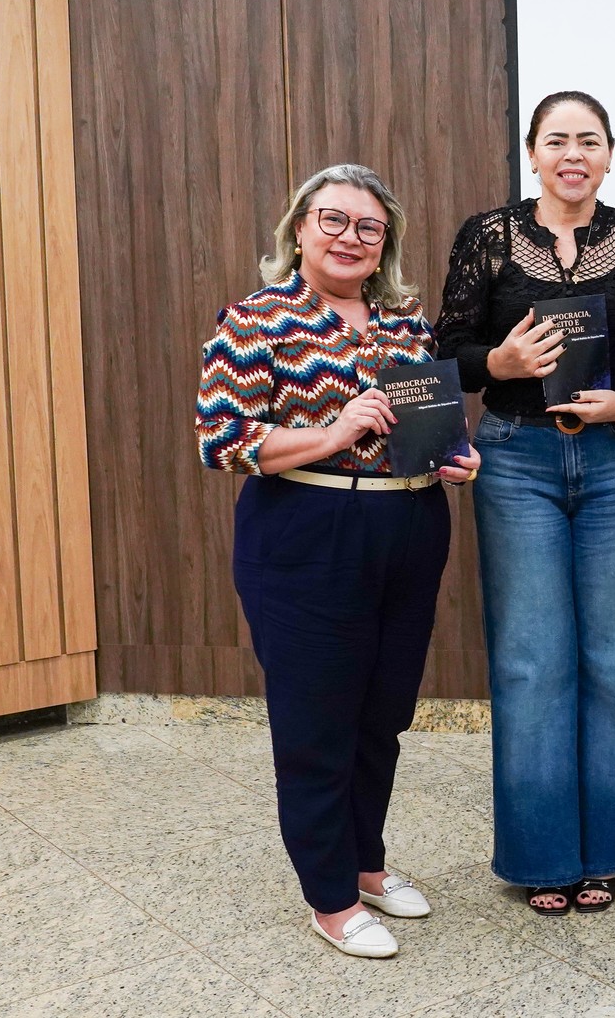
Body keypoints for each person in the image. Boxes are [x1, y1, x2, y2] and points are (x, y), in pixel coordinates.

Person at [196, 163, 479, 959]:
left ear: (384, 242)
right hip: (306, 532)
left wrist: (457, 460)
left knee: (381, 714)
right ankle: (326, 897)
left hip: (412, 524)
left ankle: (364, 863)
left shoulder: (404, 322)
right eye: (333, 220)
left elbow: (430, 425)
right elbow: (224, 442)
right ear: (298, 227)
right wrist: (332, 432)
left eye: (368, 227)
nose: (350, 238)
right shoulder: (255, 321)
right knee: (318, 720)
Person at [435, 91, 615, 916]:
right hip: (517, 461)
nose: (574, 153)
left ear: (610, 154)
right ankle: (542, 853)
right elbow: (445, 351)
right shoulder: (488, 237)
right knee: (532, 662)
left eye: (590, 140)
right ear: (532, 153)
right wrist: (495, 363)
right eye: (557, 140)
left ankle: (609, 848)